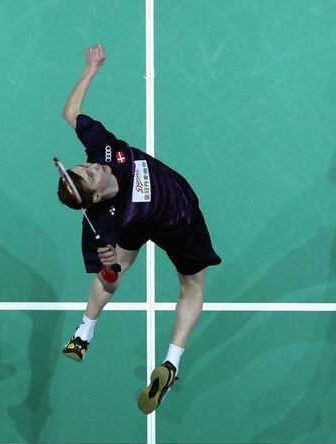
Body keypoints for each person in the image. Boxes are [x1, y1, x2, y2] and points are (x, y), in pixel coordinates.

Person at [57, 44, 221, 414]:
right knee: (192, 285)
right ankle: (172, 363)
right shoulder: (105, 221)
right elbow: (109, 269)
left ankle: (84, 332)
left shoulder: (101, 160)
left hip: (139, 223)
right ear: (95, 196)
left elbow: (70, 112)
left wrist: (90, 70)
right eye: (88, 174)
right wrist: (110, 264)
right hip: (179, 215)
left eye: (84, 167)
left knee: (116, 270)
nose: (89, 166)